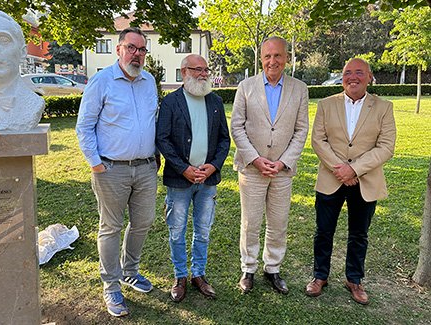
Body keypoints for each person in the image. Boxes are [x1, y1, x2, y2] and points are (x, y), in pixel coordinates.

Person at [75, 27, 158, 317]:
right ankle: (111, 285)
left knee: (144, 222)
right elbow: (84, 127)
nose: (137, 54)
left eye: (142, 49)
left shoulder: (149, 81)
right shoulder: (101, 82)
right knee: (110, 227)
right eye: (132, 48)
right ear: (119, 49)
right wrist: (96, 164)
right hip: (111, 169)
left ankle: (130, 271)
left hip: (146, 168)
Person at [306, 58, 396, 305]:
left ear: (370, 77)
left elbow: (386, 147)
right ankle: (319, 276)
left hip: (365, 182)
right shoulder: (326, 104)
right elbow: (318, 140)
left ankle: (354, 279)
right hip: (330, 179)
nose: (352, 77)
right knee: (323, 231)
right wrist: (340, 169)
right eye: (347, 73)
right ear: (342, 76)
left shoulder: (384, 107)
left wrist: (354, 170)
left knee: (359, 234)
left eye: (359, 73)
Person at [231, 36, 309, 294]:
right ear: (261, 58)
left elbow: (301, 130)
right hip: (252, 169)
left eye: (277, 56)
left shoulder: (300, 89)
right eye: (267, 56)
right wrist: (255, 158)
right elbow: (237, 126)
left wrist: (284, 162)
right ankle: (248, 268)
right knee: (250, 222)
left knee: (278, 222)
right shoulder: (245, 86)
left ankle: (272, 268)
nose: (272, 61)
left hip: (282, 171)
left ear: (286, 57)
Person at [156, 54, 230, 302]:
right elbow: (162, 140)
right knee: (177, 231)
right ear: (184, 71)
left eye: (205, 70)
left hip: (207, 181)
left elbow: (224, 140)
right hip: (180, 181)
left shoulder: (216, 101)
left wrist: (213, 166)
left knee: (204, 231)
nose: (203, 74)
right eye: (197, 70)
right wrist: (183, 168)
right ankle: (180, 276)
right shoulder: (171, 102)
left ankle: (198, 274)